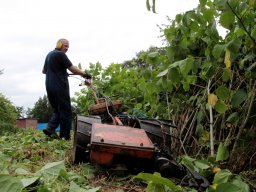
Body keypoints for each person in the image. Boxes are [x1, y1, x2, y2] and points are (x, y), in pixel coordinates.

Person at [42, 38, 91, 140]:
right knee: (66, 111)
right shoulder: (60, 54)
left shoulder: (49, 55)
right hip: (59, 86)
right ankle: (65, 137)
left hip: (49, 86)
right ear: (59, 45)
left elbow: (44, 71)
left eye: (68, 46)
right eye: (65, 46)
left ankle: (50, 128)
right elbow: (72, 68)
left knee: (58, 109)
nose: (67, 48)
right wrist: (85, 74)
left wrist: (60, 71)